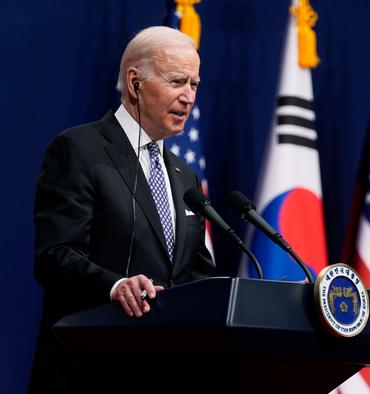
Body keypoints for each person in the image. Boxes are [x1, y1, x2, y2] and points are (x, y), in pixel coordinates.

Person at [29, 26, 215, 393]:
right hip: (86, 372)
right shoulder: (79, 149)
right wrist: (114, 285)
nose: (189, 97)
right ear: (135, 84)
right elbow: (54, 255)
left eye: (194, 84)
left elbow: (195, 276)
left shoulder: (184, 176)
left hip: (162, 376)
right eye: (178, 81)